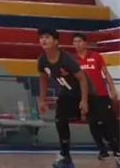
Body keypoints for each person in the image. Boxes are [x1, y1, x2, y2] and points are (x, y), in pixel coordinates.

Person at [37, 28, 93, 168]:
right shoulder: (42, 59)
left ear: (56, 41)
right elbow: (43, 79)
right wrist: (42, 100)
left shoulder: (66, 58)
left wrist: (84, 101)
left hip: (87, 93)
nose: (43, 40)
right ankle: (65, 155)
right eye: (41, 37)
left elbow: (82, 79)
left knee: (101, 123)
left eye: (47, 37)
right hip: (67, 93)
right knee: (60, 120)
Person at [71, 32, 120, 160]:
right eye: (75, 42)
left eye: (79, 41)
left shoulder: (96, 56)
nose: (77, 44)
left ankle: (117, 149)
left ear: (85, 43)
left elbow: (106, 73)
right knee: (93, 124)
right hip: (86, 97)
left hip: (101, 95)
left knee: (110, 122)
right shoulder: (72, 60)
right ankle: (102, 150)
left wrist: (112, 88)